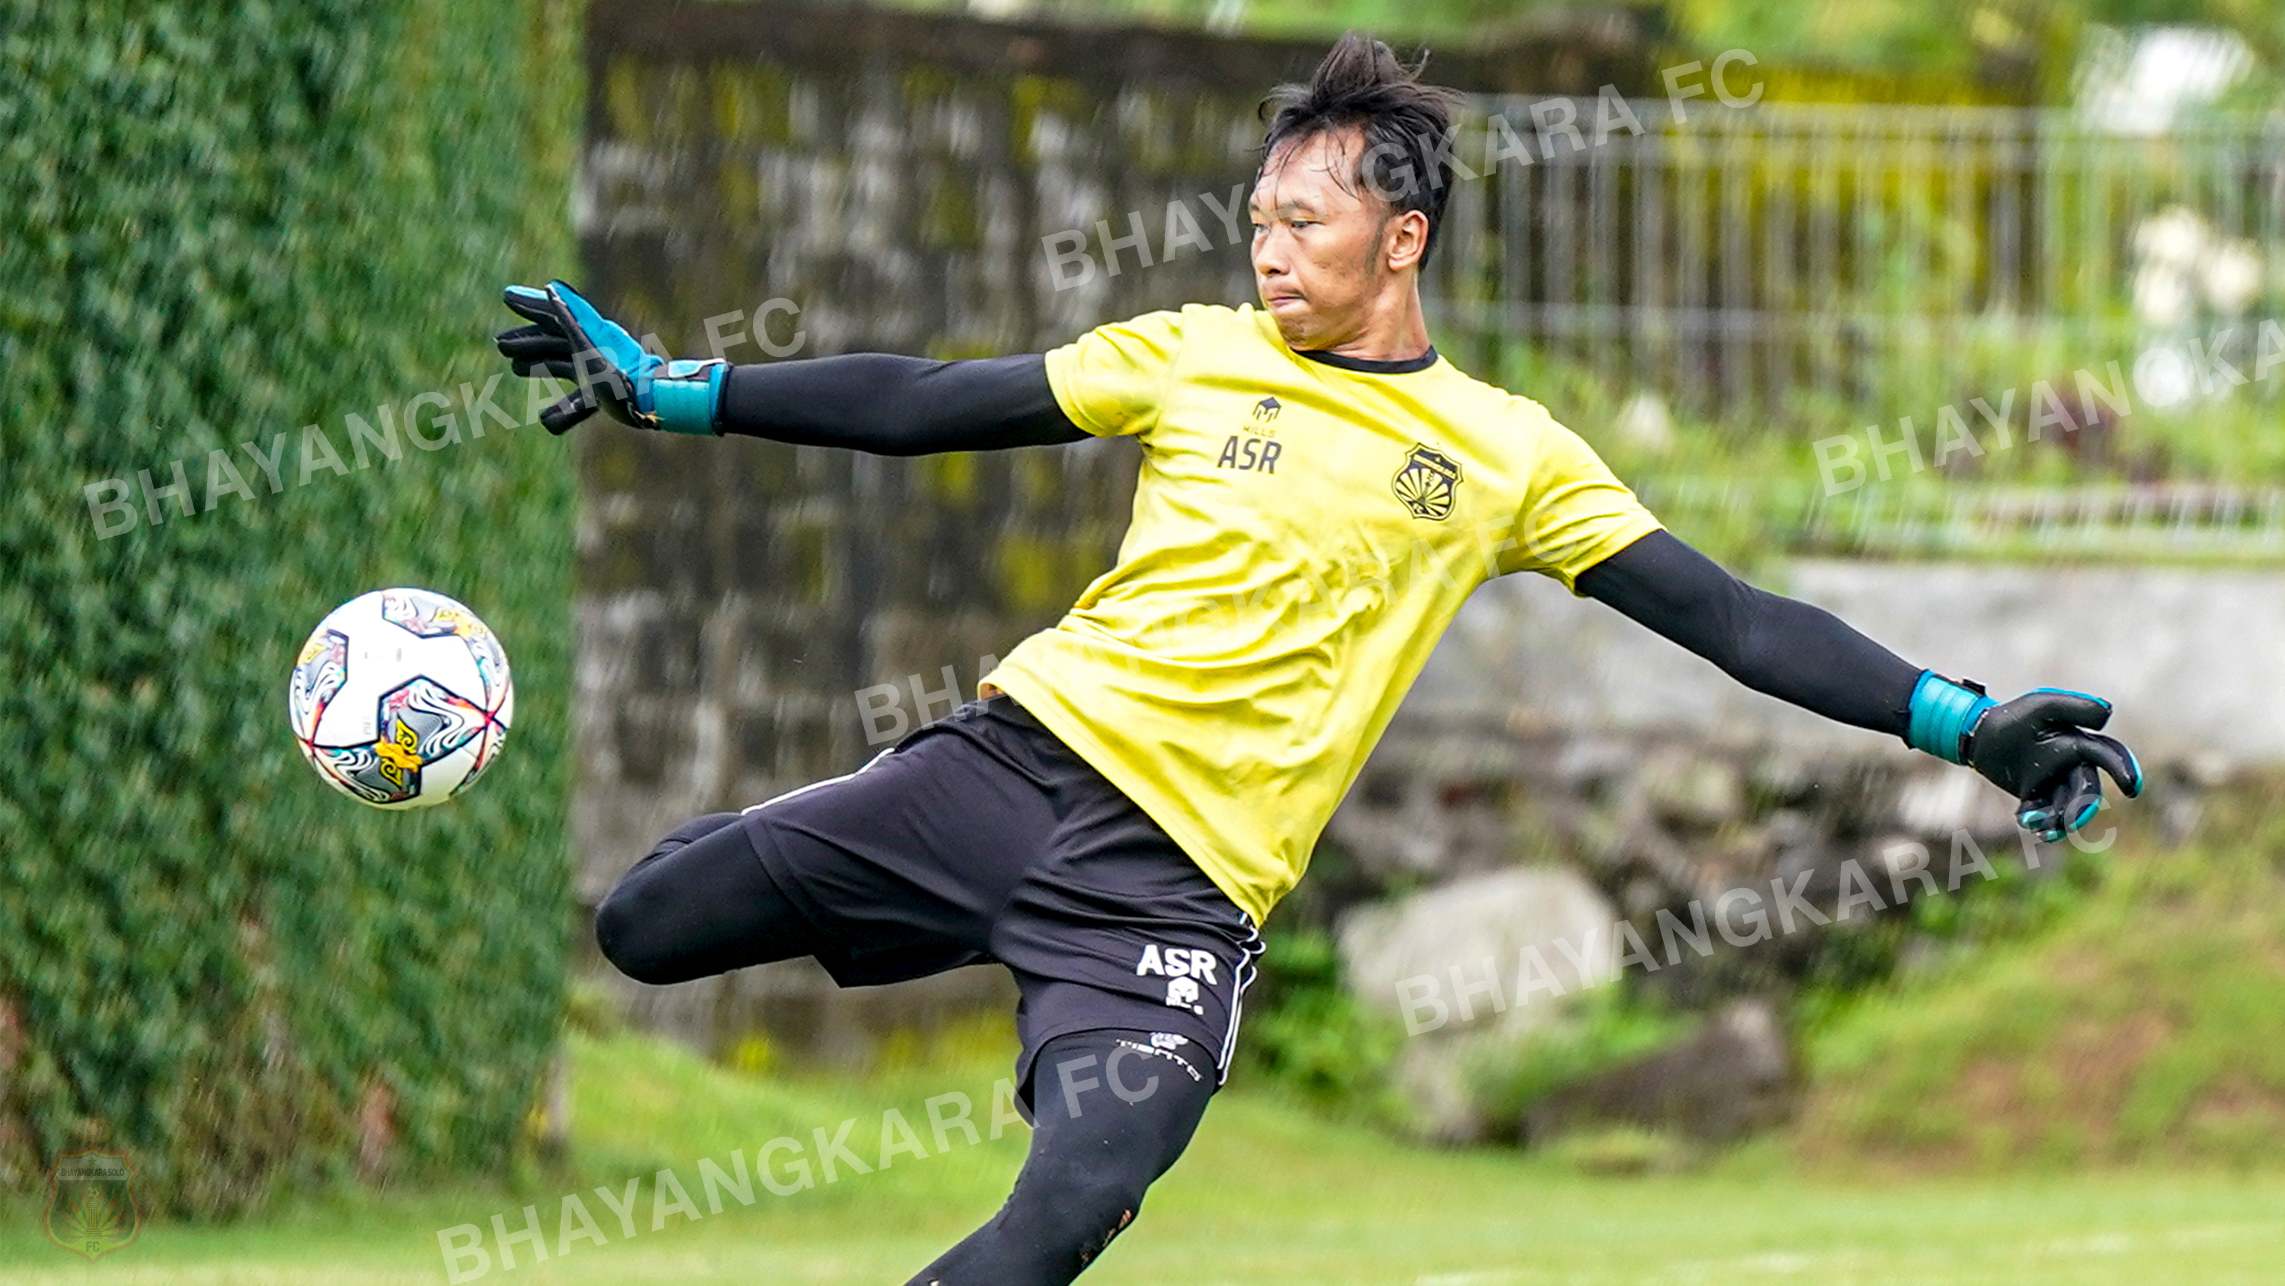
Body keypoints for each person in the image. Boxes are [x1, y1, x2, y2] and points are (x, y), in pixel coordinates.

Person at [494, 32, 2142, 1285]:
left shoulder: (1505, 452)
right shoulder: (1193, 356)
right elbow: (932, 400)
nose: (1267, 249)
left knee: (1064, 1212)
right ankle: (851, 840)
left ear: (1401, 236)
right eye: (1256, 219)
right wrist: (680, 388)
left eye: (1303, 219)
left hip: (1173, 897)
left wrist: (1963, 716)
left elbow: (1726, 614)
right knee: (647, 925)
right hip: (1003, 772)